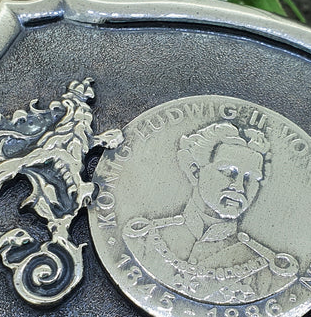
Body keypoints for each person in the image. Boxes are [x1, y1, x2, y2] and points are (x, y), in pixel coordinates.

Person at [123, 122, 298, 304]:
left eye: (250, 178)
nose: (239, 187)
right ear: (195, 171)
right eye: (228, 172)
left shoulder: (266, 269)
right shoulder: (144, 239)